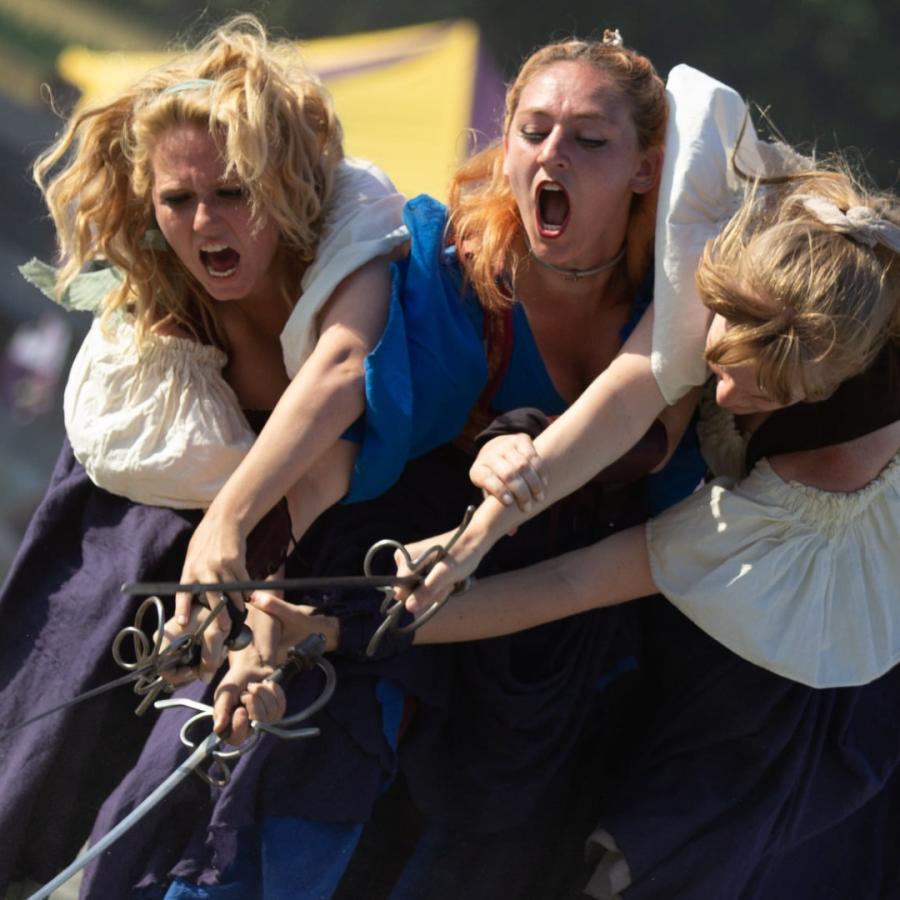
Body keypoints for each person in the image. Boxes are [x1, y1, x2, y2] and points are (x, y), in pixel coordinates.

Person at [77, 32, 708, 900]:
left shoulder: (684, 295)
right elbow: (343, 448)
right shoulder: (453, 268)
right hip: (393, 572)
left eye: (589, 139)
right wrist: (260, 602)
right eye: (532, 132)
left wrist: (478, 525)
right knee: (285, 784)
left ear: (646, 167)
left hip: (567, 626)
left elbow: (631, 445)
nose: (553, 154)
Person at [247, 71, 900, 899]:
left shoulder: (799, 499)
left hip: (791, 666)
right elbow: (618, 409)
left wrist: (344, 628)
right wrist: (469, 537)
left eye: (764, 396)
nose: (728, 395)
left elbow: (569, 584)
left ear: (824, 388)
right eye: (722, 366)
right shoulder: (735, 251)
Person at [0, 15, 410, 895]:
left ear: (284, 185)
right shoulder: (159, 293)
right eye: (177, 200)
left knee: (189, 805)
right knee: (36, 743)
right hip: (154, 526)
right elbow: (155, 469)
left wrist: (232, 547)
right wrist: (203, 585)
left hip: (323, 537)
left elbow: (342, 378)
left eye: (232, 192)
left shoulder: (353, 243)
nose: (203, 221)